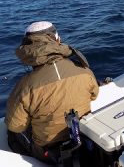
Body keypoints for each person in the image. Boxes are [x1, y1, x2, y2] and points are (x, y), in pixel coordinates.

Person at [5, 21, 99, 163]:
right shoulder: (84, 69)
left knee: (11, 133)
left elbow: (15, 125)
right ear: (58, 40)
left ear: (26, 49)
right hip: (83, 138)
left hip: (48, 151)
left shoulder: (24, 86)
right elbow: (95, 94)